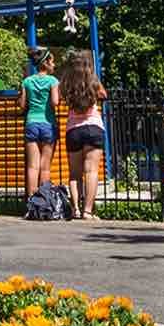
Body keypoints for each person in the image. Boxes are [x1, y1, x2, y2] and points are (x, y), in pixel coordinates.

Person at [59, 51, 107, 221]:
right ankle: (87, 211)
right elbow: (104, 95)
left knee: (74, 173)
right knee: (91, 171)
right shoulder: (93, 80)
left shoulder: (67, 82)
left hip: (73, 130)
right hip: (93, 127)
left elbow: (59, 97)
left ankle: (75, 210)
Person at [17, 47, 59, 211]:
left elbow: (22, 105)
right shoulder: (53, 81)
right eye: (53, 61)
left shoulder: (27, 81)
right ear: (46, 63)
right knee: (45, 166)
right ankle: (44, 203)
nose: (54, 64)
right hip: (48, 123)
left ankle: (31, 203)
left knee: (32, 165)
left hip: (31, 123)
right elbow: (55, 102)